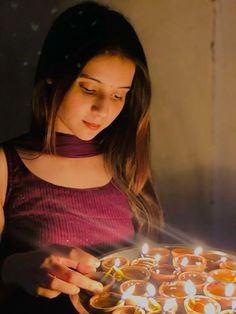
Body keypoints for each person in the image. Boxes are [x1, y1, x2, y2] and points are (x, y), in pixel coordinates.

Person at [0, 1, 163, 312]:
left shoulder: (125, 165)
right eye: (89, 89)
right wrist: (12, 268)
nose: (103, 110)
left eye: (118, 95)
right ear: (52, 76)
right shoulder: (7, 167)